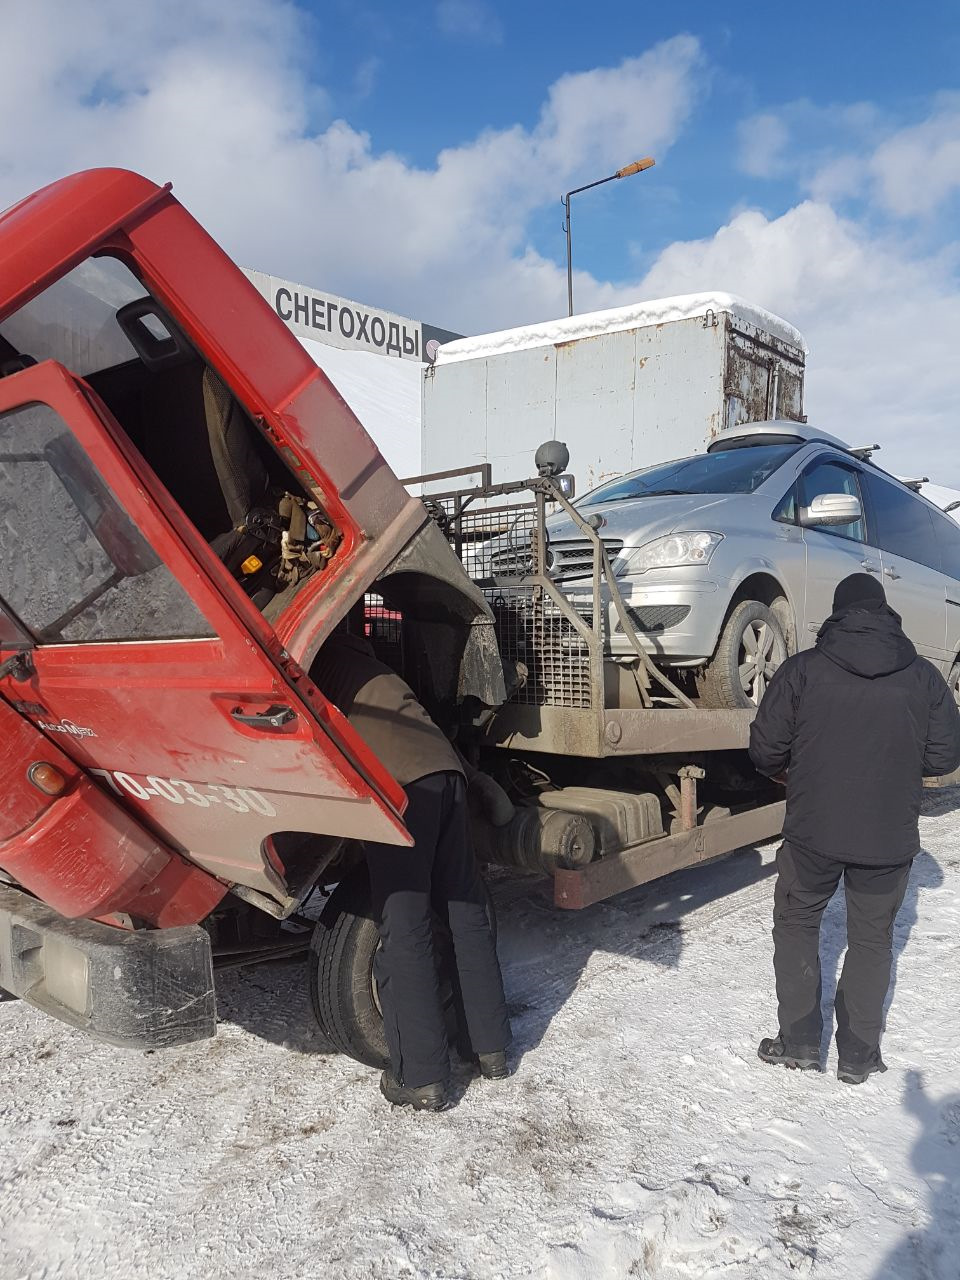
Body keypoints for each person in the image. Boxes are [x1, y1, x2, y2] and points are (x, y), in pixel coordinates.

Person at [749, 573, 960, 1084]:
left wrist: (796, 767)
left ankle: (799, 1043)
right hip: (888, 840)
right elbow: (946, 756)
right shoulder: (925, 677)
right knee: (872, 940)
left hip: (812, 834)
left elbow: (764, 751)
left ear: (837, 615)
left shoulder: (802, 671)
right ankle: (859, 1056)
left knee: (798, 925)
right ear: (887, 615)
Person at [312, 626, 511, 1111]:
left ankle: (420, 1076)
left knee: (405, 927)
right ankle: (490, 1050)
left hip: (400, 789)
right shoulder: (376, 670)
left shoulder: (314, 668)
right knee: (464, 910)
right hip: (448, 778)